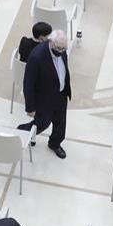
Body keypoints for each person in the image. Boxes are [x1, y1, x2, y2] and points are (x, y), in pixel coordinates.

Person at [18, 30, 71, 159]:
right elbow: (28, 83)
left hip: (60, 94)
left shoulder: (61, 50)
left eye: (64, 49)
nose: (62, 52)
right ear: (51, 43)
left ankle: (55, 143)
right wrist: (30, 107)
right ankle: (21, 132)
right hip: (44, 98)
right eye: (59, 49)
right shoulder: (37, 56)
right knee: (42, 123)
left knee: (60, 122)